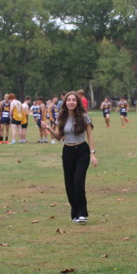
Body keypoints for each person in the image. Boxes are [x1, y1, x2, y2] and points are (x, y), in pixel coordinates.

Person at [47, 91, 97, 224]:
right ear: (65, 102)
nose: (71, 102)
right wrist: (50, 129)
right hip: (67, 151)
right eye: (69, 100)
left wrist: (92, 153)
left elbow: (90, 135)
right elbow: (59, 137)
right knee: (69, 184)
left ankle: (82, 213)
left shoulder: (83, 116)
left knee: (78, 181)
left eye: (74, 100)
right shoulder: (61, 117)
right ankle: (75, 213)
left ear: (77, 102)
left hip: (82, 151)